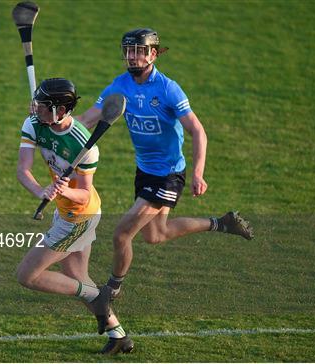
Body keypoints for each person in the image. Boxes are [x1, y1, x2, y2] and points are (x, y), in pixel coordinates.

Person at [76, 28, 254, 303]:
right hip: (144, 170)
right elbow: (88, 119)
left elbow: (197, 130)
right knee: (156, 235)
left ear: (154, 54)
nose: (132, 57)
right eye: (129, 51)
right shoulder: (119, 85)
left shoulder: (168, 89)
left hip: (168, 175)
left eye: (139, 51)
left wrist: (197, 173)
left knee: (122, 234)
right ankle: (221, 223)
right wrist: (54, 122)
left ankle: (111, 289)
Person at [16, 78, 134, 355]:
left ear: (61, 109)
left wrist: (63, 193)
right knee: (76, 275)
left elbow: (84, 193)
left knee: (27, 275)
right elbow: (23, 170)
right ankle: (119, 336)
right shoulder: (34, 124)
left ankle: (97, 295)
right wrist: (41, 191)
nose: (36, 109)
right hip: (64, 211)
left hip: (80, 216)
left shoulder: (86, 146)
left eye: (43, 106)